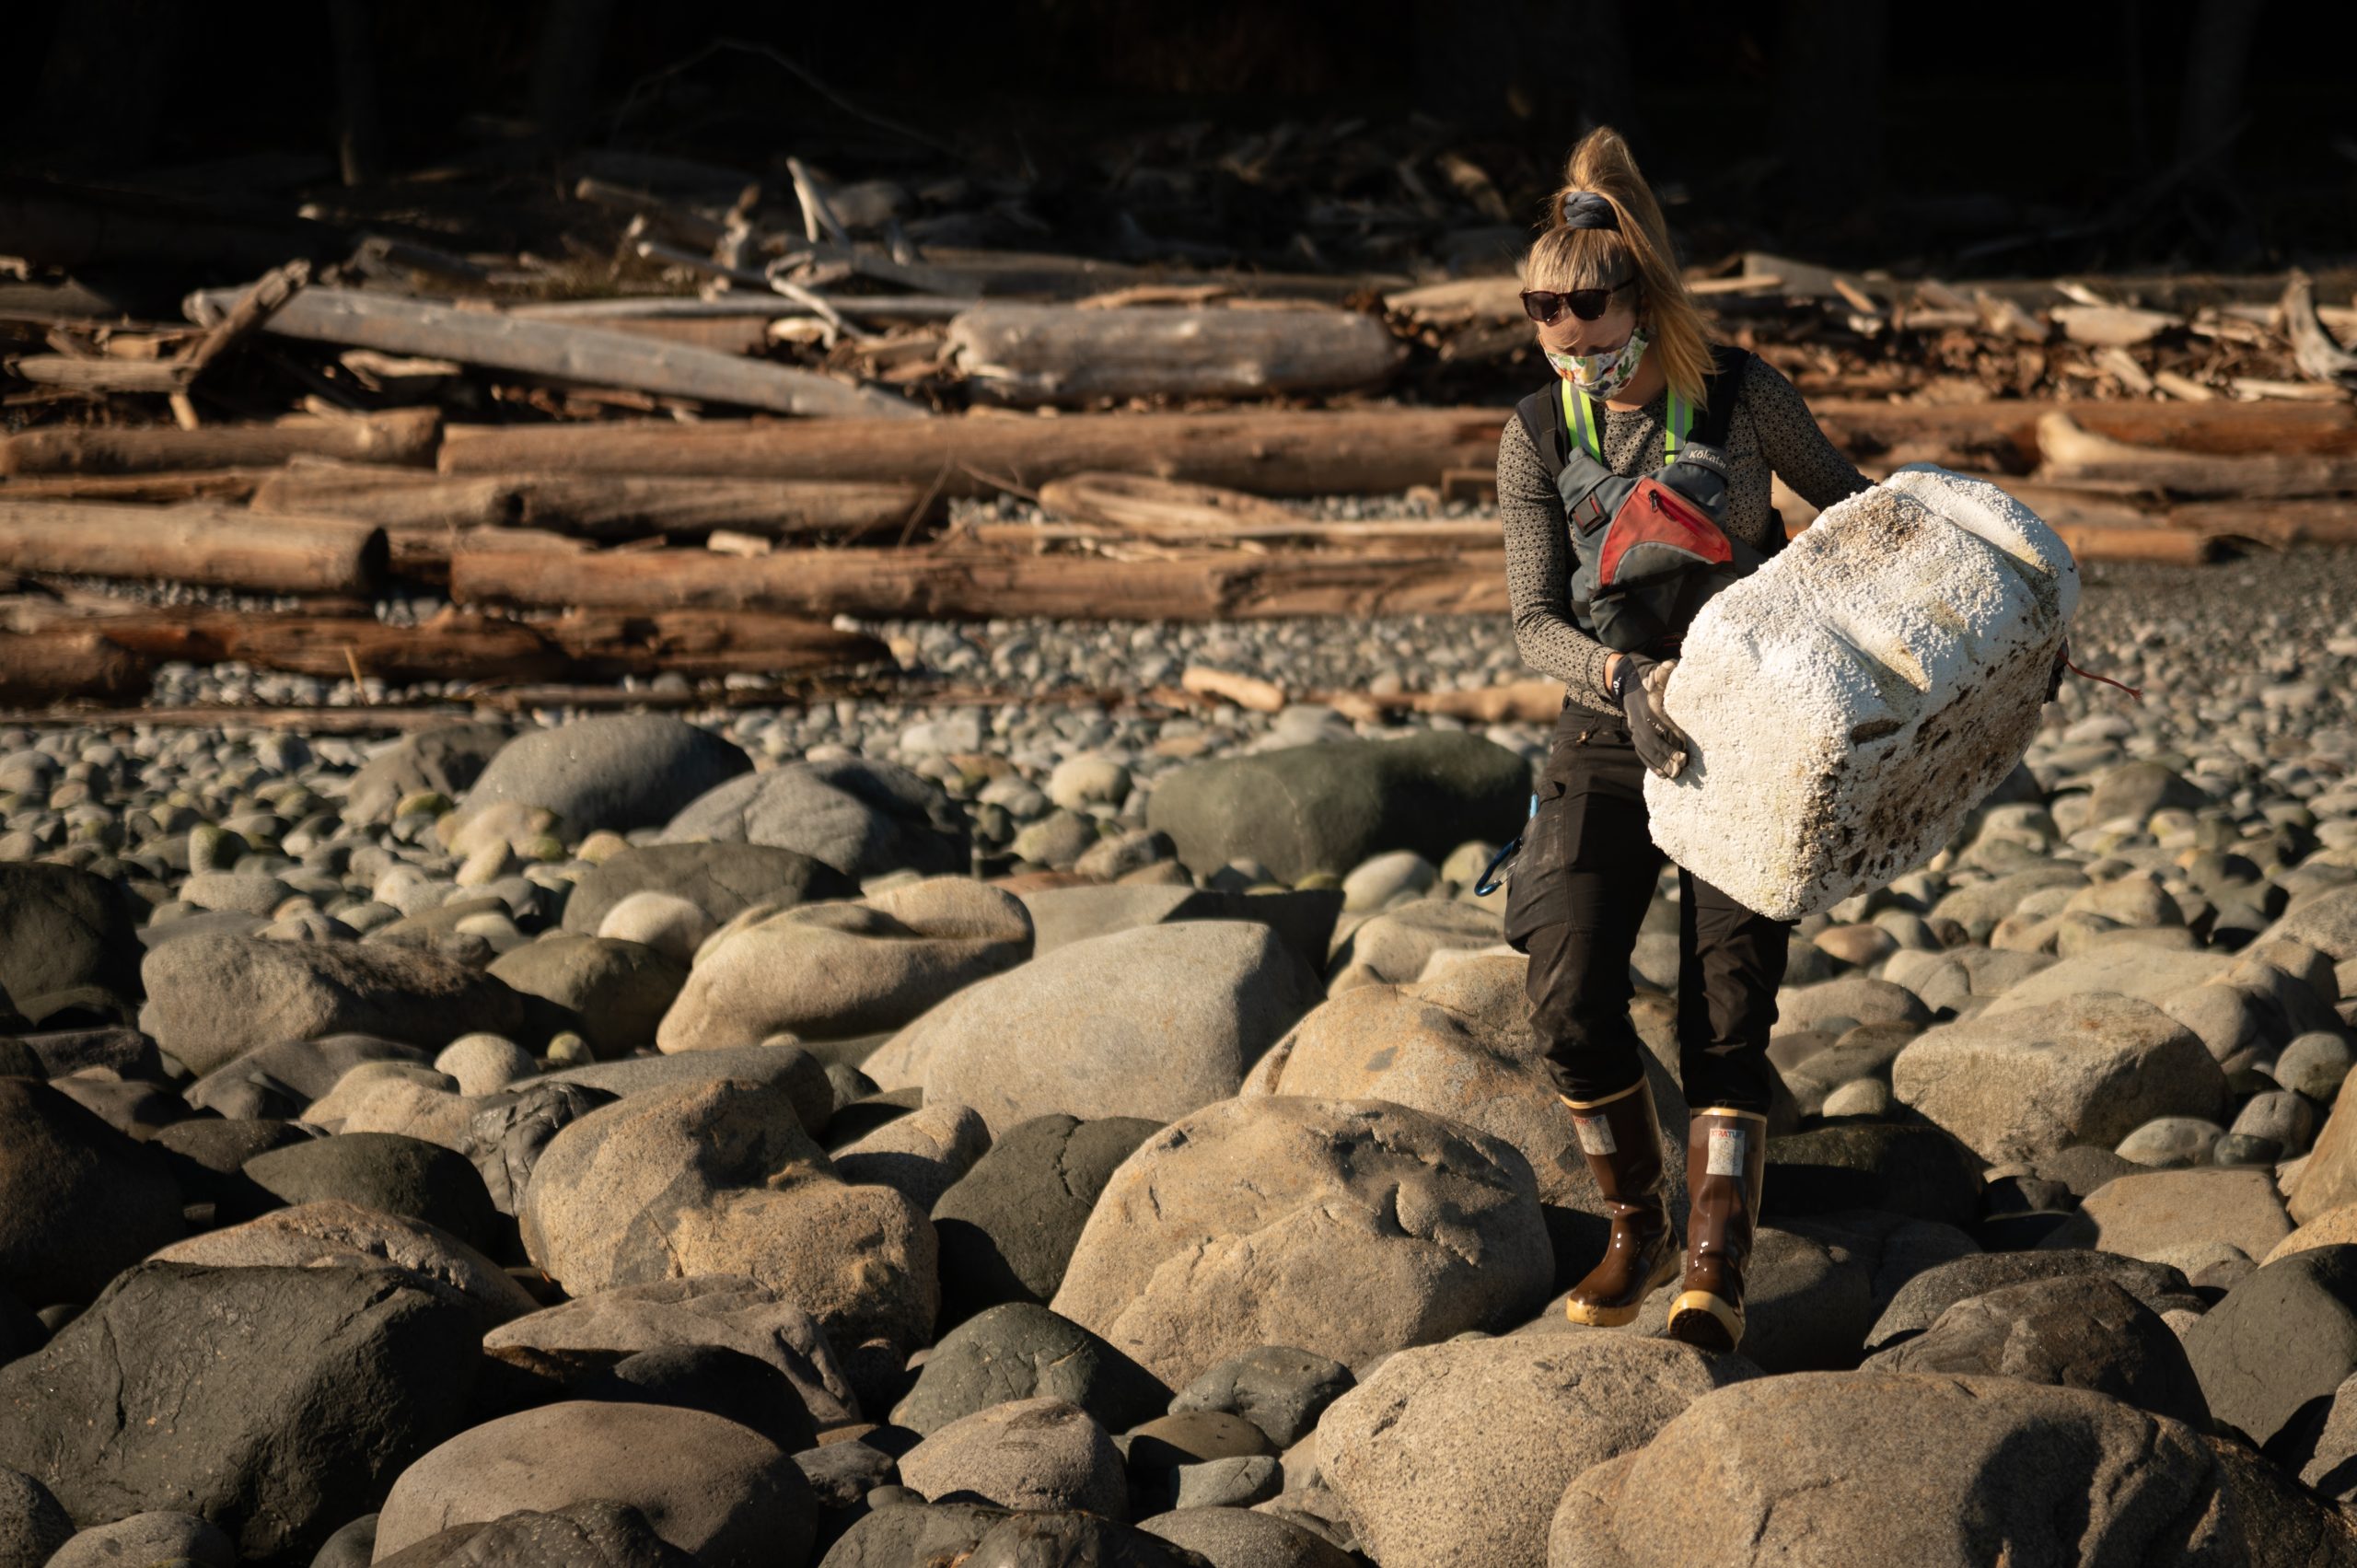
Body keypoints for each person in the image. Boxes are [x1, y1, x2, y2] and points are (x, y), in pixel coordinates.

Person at [1497, 125, 1872, 1353]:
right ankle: (1634, 1221)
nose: (1565, 334)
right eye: (1541, 311)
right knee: (1565, 979)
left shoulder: (1746, 397)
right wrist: (1617, 671)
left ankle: (1718, 1259)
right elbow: (1530, 618)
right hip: (1610, 723)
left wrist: (1993, 626)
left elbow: (1864, 523)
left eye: (1587, 311)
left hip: (1747, 734)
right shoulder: (1533, 436)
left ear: (1642, 298)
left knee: (1726, 1004)